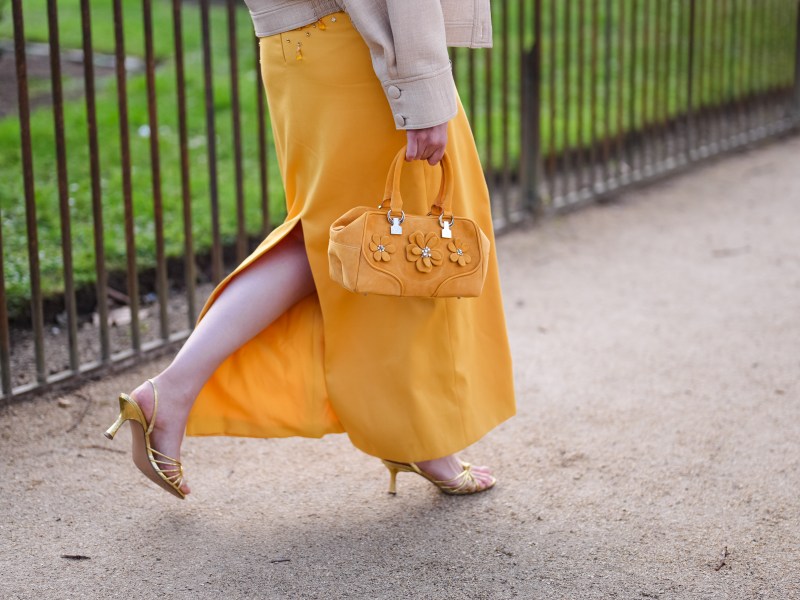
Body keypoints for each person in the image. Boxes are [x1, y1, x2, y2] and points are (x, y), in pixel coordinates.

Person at [104, 0, 516, 500]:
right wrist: (424, 89)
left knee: (339, 242)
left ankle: (419, 438)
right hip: (358, 51)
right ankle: (171, 392)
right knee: (395, 243)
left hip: (295, 48)